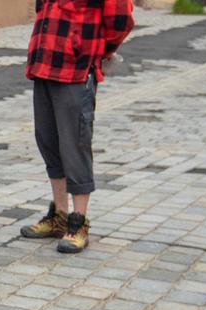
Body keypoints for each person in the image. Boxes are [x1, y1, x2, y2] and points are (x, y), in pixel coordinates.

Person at [20, 0, 134, 253]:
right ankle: (59, 217)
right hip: (43, 66)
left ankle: (78, 222)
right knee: (48, 142)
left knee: (75, 145)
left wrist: (94, 51)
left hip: (76, 71)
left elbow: (120, 20)